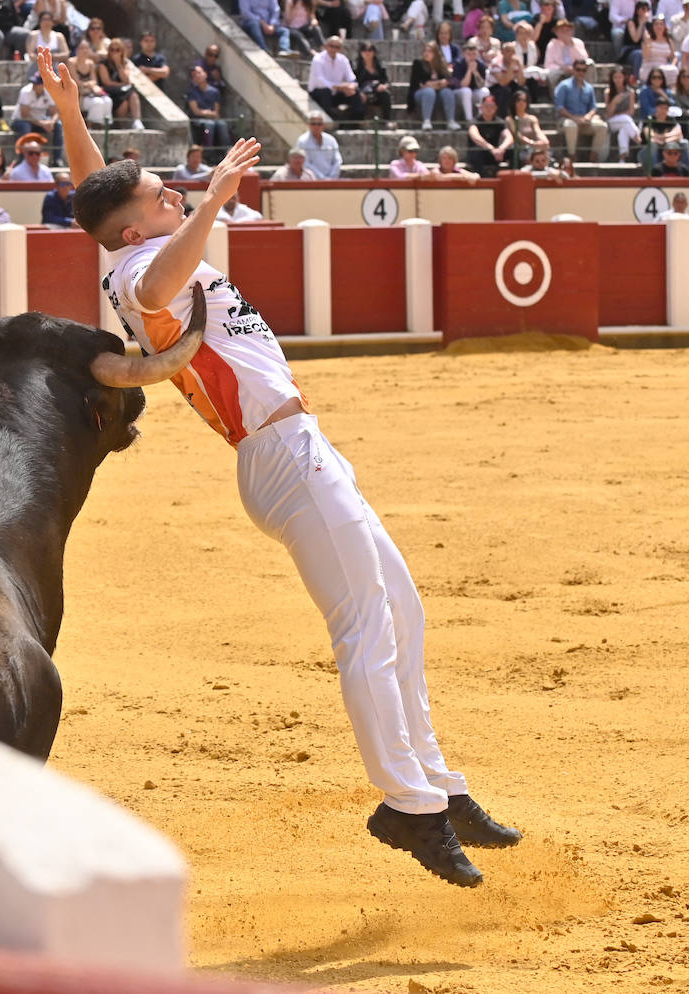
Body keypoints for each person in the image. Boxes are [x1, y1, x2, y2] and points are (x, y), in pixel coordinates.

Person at [37, 45, 522, 889]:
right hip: (281, 453)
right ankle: (409, 806)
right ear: (139, 227)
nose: (174, 191)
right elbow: (153, 281)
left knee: (398, 609)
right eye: (163, 195)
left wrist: (73, 114)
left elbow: (98, 202)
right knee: (366, 629)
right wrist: (216, 202)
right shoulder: (148, 270)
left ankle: (440, 784)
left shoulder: (126, 245)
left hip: (299, 447)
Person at [554, 58, 610, 161]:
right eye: (578, 69)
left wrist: (588, 117)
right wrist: (574, 118)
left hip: (584, 120)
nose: (581, 73)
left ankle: (594, 155)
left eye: (584, 70)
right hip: (567, 119)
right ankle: (572, 155)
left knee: (602, 126)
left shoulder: (589, 88)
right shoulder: (564, 86)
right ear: (573, 70)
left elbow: (593, 107)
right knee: (571, 125)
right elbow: (560, 108)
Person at [310, 35, 366, 122]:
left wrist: (352, 86)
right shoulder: (318, 59)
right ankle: (334, 122)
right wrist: (339, 87)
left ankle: (356, 122)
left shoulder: (343, 59)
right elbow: (319, 80)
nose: (334, 49)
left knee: (355, 92)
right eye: (331, 46)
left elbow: (351, 77)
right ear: (326, 46)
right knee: (325, 92)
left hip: (336, 92)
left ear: (340, 49)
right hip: (319, 93)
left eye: (337, 47)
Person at [12, 71, 65, 163]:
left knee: (58, 125)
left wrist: (51, 122)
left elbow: (56, 112)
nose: (34, 85)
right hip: (19, 121)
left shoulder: (49, 92)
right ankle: (22, 159)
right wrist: (43, 124)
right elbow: (25, 115)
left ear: (43, 85)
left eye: (37, 84)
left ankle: (57, 159)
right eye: (33, 83)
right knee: (25, 126)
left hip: (40, 122)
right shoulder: (25, 91)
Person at [410, 40, 457, 129]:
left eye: (429, 51)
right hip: (421, 94)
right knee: (429, 91)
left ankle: (451, 121)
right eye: (425, 51)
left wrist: (435, 84)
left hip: (438, 94)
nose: (426, 53)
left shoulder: (441, 65)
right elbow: (422, 84)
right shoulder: (418, 64)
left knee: (447, 92)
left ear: (435, 53)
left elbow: (449, 81)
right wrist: (439, 83)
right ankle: (426, 121)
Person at [187, 66, 232, 157]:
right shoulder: (192, 92)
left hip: (212, 118)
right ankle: (208, 153)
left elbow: (216, 111)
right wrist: (209, 113)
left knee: (222, 124)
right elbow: (196, 111)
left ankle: (226, 152)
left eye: (199, 73)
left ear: (205, 74)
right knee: (209, 125)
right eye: (195, 75)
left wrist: (207, 113)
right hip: (198, 120)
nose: (198, 76)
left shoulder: (214, 91)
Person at [98, 40, 142, 128]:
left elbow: (126, 79)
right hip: (110, 92)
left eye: (117, 50)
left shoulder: (124, 63)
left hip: (122, 92)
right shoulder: (103, 64)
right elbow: (107, 82)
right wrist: (122, 85)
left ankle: (137, 121)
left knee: (130, 97)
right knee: (125, 98)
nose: (114, 52)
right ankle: (122, 126)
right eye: (112, 50)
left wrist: (118, 64)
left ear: (122, 51)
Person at [466, 93, 513, 175]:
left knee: (512, 150)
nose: (489, 109)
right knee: (477, 152)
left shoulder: (499, 121)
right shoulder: (474, 121)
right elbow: (475, 136)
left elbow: (509, 137)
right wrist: (491, 149)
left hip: (495, 153)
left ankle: (513, 178)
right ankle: (481, 180)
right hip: (480, 153)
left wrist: (502, 148)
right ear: (481, 107)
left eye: (491, 106)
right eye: (486, 106)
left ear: (496, 108)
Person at [605, 64, 642, 161]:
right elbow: (608, 115)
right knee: (626, 120)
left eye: (620, 77)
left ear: (624, 78)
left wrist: (618, 115)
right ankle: (639, 139)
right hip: (612, 123)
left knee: (623, 130)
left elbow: (631, 111)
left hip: (625, 121)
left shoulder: (630, 92)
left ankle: (622, 158)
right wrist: (614, 102)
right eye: (615, 77)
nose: (618, 80)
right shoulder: (608, 92)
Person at [452, 39, 490, 124]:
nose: (472, 57)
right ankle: (469, 120)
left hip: (473, 93)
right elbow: (463, 84)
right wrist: (469, 70)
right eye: (469, 55)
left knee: (484, 91)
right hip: (458, 94)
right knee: (466, 91)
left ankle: (481, 118)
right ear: (464, 54)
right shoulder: (458, 64)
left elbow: (481, 85)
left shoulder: (481, 65)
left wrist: (475, 72)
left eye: (474, 54)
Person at [544, 18, 589, 88]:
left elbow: (584, 59)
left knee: (590, 65)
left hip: (577, 69)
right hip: (560, 70)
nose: (564, 33)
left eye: (567, 30)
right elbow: (548, 64)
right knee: (552, 74)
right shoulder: (552, 45)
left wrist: (571, 44)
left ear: (571, 32)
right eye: (561, 31)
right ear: (556, 33)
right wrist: (562, 68)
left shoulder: (578, 42)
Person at [354, 42, 392, 122]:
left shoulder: (380, 65)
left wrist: (384, 86)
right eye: (364, 50)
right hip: (362, 91)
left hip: (377, 90)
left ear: (374, 52)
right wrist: (359, 92)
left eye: (370, 50)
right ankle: (358, 122)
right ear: (360, 52)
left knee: (385, 94)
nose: (367, 52)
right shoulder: (356, 66)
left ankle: (387, 120)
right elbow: (353, 81)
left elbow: (386, 80)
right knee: (358, 98)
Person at [297, 110, 342, 178]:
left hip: (332, 180)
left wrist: (332, 176)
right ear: (309, 124)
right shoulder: (302, 141)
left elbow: (337, 161)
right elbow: (305, 164)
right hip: (311, 181)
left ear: (323, 125)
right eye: (313, 124)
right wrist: (322, 178)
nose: (316, 126)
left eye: (319, 124)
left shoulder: (331, 140)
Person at [508, 88, 548, 161]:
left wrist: (544, 140)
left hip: (533, 147)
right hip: (519, 149)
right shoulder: (510, 119)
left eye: (524, 100)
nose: (521, 102)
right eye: (519, 100)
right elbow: (517, 135)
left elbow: (538, 131)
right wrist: (532, 143)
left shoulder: (532, 118)